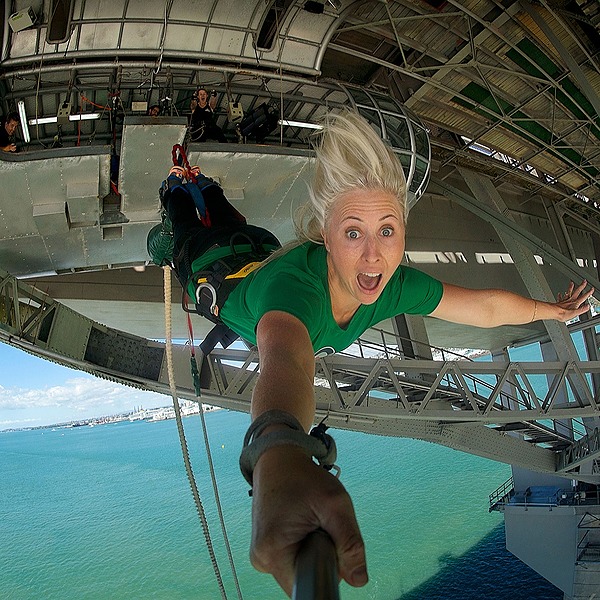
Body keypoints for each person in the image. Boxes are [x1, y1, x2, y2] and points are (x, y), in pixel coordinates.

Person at [148, 110, 594, 597]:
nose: (373, 256)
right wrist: (277, 452)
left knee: (226, 214)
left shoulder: (393, 284)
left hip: (254, 249)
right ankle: (179, 183)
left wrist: (550, 310)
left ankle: (195, 180)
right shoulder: (294, 292)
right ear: (326, 234)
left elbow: (482, 306)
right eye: (353, 232)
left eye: (387, 230)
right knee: (187, 218)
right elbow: (287, 358)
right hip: (215, 271)